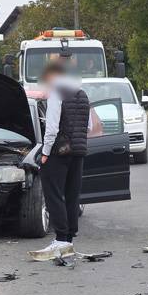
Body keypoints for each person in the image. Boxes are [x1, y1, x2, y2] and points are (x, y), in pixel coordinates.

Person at [28, 61, 91, 261]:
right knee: (72, 194)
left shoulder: (57, 92)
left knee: (53, 193)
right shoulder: (82, 94)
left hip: (60, 151)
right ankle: (69, 239)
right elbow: (88, 126)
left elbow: (52, 128)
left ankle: (60, 238)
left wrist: (45, 153)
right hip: (79, 151)